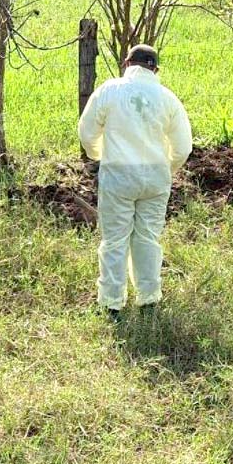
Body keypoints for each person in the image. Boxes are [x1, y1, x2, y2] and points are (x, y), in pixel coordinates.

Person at [78, 44, 192, 319]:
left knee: (115, 239)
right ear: (156, 69)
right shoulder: (167, 98)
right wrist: (167, 168)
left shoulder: (110, 90)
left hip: (118, 174)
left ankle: (111, 303)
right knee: (147, 238)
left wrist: (98, 155)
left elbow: (86, 131)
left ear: (127, 63)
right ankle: (149, 298)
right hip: (155, 177)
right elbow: (183, 147)